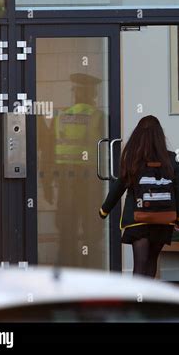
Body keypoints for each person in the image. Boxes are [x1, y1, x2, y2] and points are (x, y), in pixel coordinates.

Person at [99, 116, 179, 278]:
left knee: (140, 264)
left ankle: (137, 301)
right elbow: (177, 188)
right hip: (163, 219)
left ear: (138, 135)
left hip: (138, 219)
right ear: (160, 136)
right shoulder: (170, 158)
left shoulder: (133, 158)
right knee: (152, 261)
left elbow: (119, 187)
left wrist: (104, 209)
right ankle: (149, 301)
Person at [40, 72, 105, 269]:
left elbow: (48, 153)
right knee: (92, 232)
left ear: (74, 93)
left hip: (66, 182)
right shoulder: (99, 117)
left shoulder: (60, 117)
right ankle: (91, 271)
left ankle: (65, 272)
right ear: (93, 94)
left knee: (66, 230)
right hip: (91, 182)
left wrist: (46, 184)